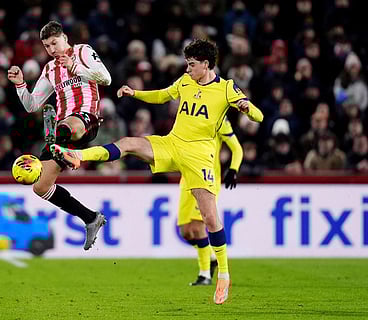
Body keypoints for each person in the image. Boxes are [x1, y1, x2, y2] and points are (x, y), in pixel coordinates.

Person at [51, 39, 263, 303]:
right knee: (128, 143)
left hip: (200, 157)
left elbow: (259, 117)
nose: (187, 69)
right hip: (172, 144)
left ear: (206, 64)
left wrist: (247, 108)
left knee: (210, 218)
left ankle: (223, 276)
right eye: (187, 64)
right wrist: (134, 93)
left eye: (192, 65)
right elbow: (163, 95)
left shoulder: (226, 88)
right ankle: (78, 155)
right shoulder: (185, 82)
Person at [7, 21, 112, 251]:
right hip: (60, 133)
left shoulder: (82, 51)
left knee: (67, 125)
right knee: (41, 187)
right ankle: (91, 218)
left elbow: (106, 78)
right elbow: (32, 104)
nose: (52, 49)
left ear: (64, 38)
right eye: (46, 46)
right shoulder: (49, 69)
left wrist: (78, 69)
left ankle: (63, 145)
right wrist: (20, 85)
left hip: (85, 119)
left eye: (54, 43)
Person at [180, 118, 243, 287]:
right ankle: (212, 257)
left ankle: (205, 274)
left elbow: (237, 149)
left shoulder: (219, 120)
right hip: (186, 178)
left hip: (205, 179)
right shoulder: (186, 117)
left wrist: (234, 169)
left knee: (197, 226)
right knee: (185, 231)